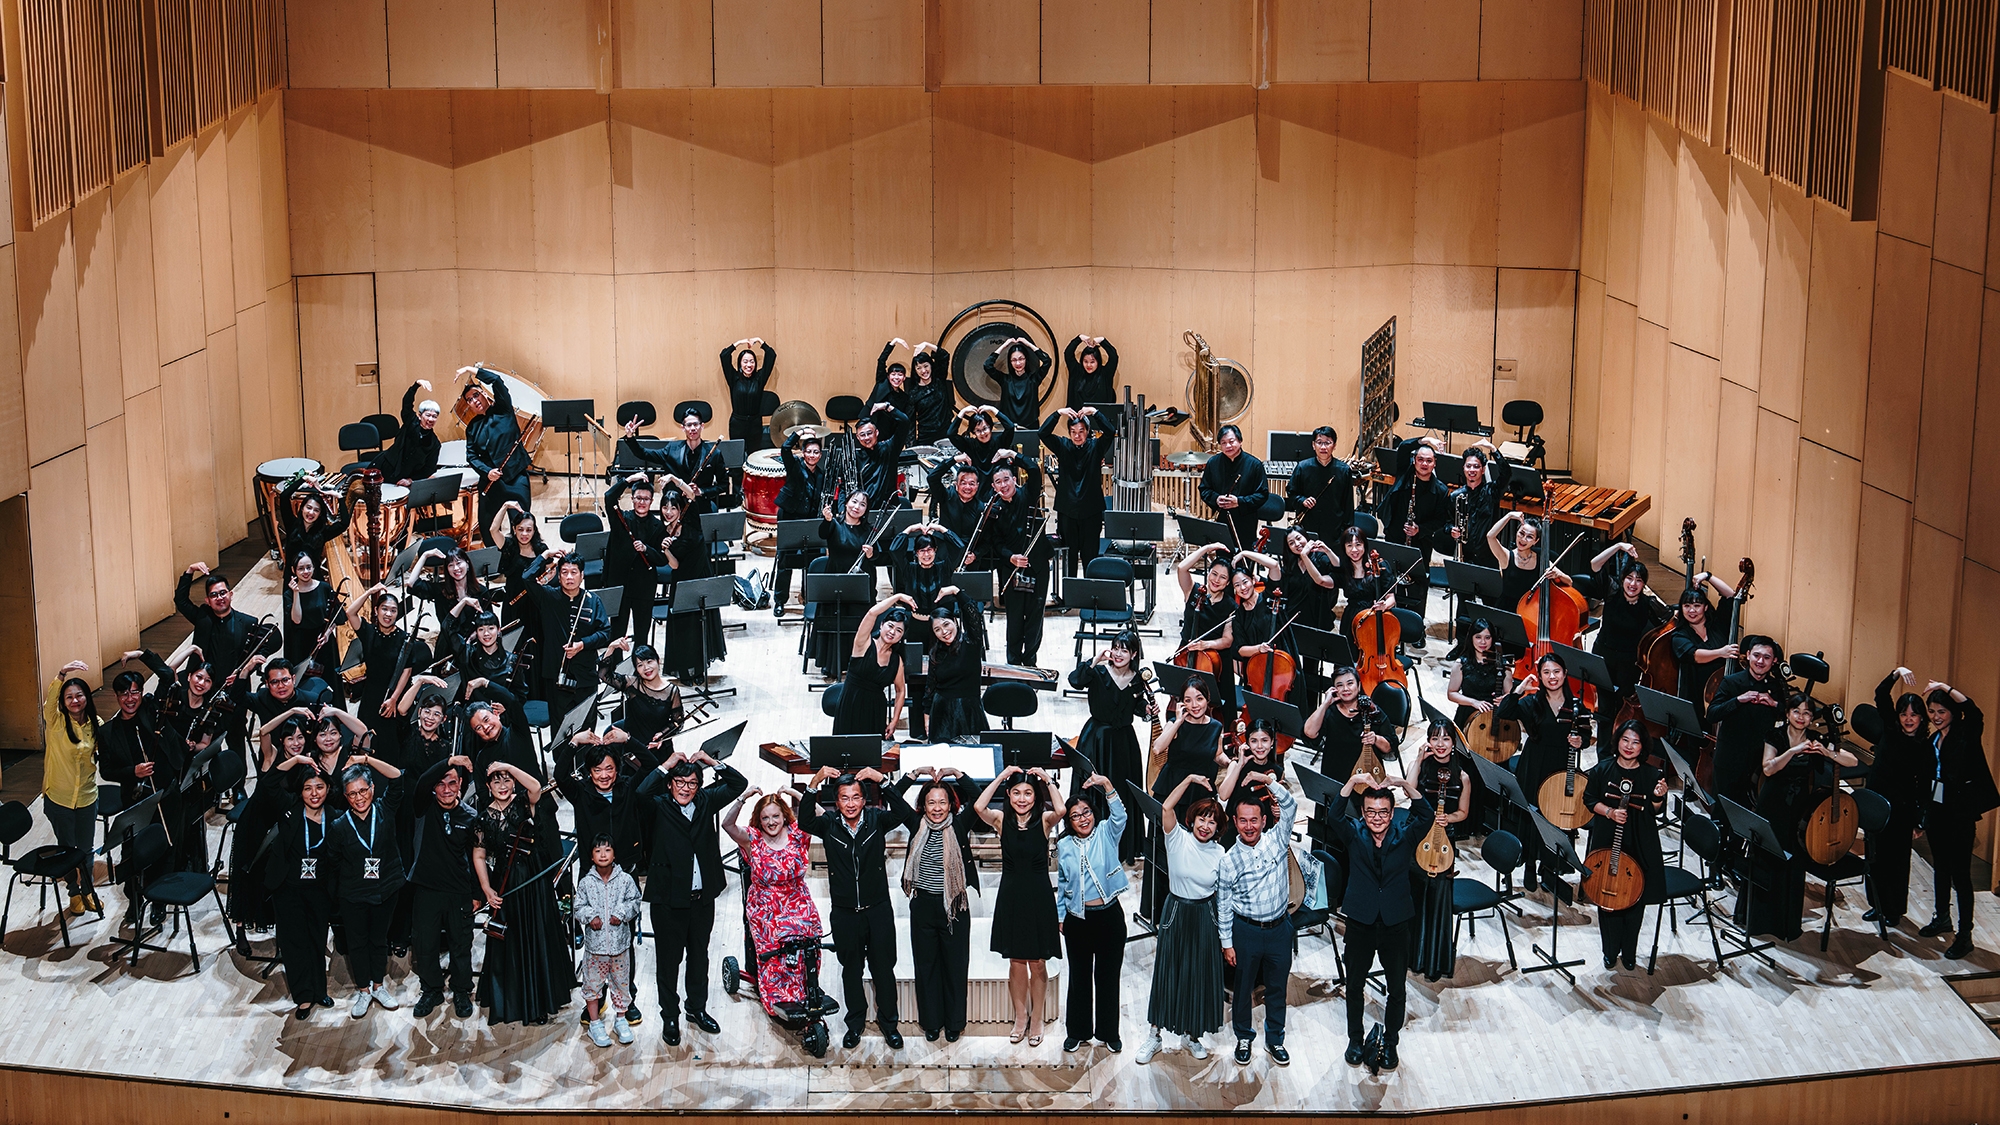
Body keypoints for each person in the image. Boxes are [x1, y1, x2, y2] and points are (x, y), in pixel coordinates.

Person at [797, 765, 913, 1050]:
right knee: (851, 971)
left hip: (878, 910)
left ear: (864, 799)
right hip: (845, 913)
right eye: (844, 798)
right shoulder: (829, 824)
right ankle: (855, 1023)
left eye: (856, 797)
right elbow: (804, 820)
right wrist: (815, 781)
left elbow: (902, 813)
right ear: (836, 802)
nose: (851, 804)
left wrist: (881, 780)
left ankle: (889, 1025)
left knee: (883, 970)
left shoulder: (876, 819)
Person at [636, 748, 747, 1045]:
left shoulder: (706, 801)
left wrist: (712, 762)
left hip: (701, 899)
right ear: (670, 784)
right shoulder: (658, 805)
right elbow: (640, 793)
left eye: (692, 784)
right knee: (668, 962)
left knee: (699, 957)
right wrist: (665, 765)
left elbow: (738, 784)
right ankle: (670, 1016)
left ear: (699, 785)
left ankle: (696, 1009)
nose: (685, 789)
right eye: (680, 783)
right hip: (668, 901)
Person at [1327, 771, 1430, 1071]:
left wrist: (1404, 784)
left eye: (1383, 812)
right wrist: (1350, 782)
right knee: (1354, 985)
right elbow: (1334, 816)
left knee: (1397, 988)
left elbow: (1425, 814)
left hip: (1395, 923)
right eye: (1371, 812)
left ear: (1392, 813)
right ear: (1362, 813)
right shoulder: (1354, 834)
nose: (1377, 818)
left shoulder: (1405, 835)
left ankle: (1392, 1042)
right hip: (1361, 921)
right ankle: (1355, 1040)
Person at [473, 759, 574, 1025]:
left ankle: (540, 1001)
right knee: (510, 940)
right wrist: (486, 888)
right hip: (506, 885)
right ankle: (512, 999)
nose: (503, 785)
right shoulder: (483, 819)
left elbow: (536, 787)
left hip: (533, 880)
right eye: (496, 781)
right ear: (488, 786)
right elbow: (479, 855)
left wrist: (508, 766)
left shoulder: (523, 803)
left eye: (507, 780)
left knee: (537, 936)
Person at [1135, 773, 1227, 1064]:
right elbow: (1166, 807)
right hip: (1176, 911)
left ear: (1218, 828)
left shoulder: (1220, 852)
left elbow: (1222, 893)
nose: (1205, 825)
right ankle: (1154, 1035)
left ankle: (1192, 1034)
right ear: (1193, 819)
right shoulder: (1177, 838)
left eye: (1212, 822)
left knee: (1197, 976)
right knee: (1168, 972)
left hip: (1205, 914)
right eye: (1202, 818)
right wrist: (1188, 780)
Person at [891, 768, 984, 1042]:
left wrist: (959, 774)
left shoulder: (960, 824)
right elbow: (893, 796)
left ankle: (954, 1023)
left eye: (942, 802)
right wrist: (913, 774)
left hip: (954, 906)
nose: (937, 808)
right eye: (931, 802)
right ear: (923, 804)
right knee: (926, 966)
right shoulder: (915, 823)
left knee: (955, 967)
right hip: (923, 905)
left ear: (951, 803)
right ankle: (931, 1022)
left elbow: (979, 799)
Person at [1217, 768, 1302, 1065]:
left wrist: (1268, 781)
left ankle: (1275, 1039)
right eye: (1243, 820)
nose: (1249, 826)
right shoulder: (1228, 861)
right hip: (1246, 932)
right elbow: (1223, 905)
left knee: (1278, 988)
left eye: (1254, 820)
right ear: (1235, 822)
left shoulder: (1277, 839)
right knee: (1243, 989)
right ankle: (1243, 1037)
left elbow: (1290, 805)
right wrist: (1227, 943)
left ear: (1264, 821)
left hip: (1280, 929)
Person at [974, 765, 1064, 1046]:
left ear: (1035, 796)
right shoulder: (1001, 820)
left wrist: (1046, 779)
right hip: (1011, 895)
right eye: (1016, 793)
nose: (1022, 799)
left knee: (1037, 962)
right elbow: (978, 806)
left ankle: (1037, 1018)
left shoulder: (1045, 820)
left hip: (1039, 897)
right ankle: (1021, 1017)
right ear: (1009, 795)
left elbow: (1061, 810)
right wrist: (1001, 777)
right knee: (1015, 961)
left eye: (1027, 793)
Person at [1916, 677, 1997, 959]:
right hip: (1937, 811)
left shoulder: (1966, 733)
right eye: (1932, 711)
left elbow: (1974, 711)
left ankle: (1965, 935)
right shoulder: (1932, 740)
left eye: (1942, 711)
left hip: (1960, 814)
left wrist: (1945, 687)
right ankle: (1942, 917)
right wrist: (1922, 817)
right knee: (1940, 867)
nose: (1936, 717)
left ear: (1953, 712)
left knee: (1960, 875)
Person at [1494, 652, 1587, 894]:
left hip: (1562, 766)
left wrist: (1580, 742)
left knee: (1556, 816)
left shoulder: (1577, 706)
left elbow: (1586, 735)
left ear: (1565, 674)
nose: (1552, 676)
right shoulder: (1531, 702)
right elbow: (1504, 712)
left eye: (1556, 671)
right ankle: (1529, 863)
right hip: (1534, 764)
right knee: (1532, 815)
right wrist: (1519, 689)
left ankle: (1550, 866)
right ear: (1540, 676)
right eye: (1546, 672)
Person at [326, 754, 408, 1019]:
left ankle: (378, 986)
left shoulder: (385, 809)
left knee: (379, 940)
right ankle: (363, 990)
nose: (359, 798)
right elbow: (334, 863)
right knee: (358, 942)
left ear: (372, 788)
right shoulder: (339, 826)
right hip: (354, 894)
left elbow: (397, 777)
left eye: (363, 790)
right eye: (352, 794)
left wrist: (366, 760)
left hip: (386, 888)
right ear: (346, 797)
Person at [1584, 720, 1670, 971]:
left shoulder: (1652, 774)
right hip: (1607, 840)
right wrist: (1610, 812)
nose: (1629, 746)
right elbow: (1589, 800)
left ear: (1643, 746)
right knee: (1606, 893)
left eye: (1635, 742)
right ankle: (1610, 952)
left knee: (1635, 897)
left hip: (1639, 840)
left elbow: (1655, 810)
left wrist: (1658, 797)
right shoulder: (1602, 770)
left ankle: (1629, 952)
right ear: (1617, 741)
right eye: (1625, 740)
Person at [1055, 773, 1129, 1053]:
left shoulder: (1107, 832)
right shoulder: (1064, 845)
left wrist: (1107, 785)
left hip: (1109, 917)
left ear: (1094, 813)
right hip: (1078, 920)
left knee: (1108, 977)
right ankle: (1078, 1032)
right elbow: (1062, 882)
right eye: (1075, 816)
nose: (1083, 818)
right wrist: (1061, 916)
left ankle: (1109, 1033)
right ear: (1069, 822)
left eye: (1086, 812)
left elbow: (1120, 815)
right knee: (1079, 977)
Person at [406, 755, 481, 1020]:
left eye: (452, 783)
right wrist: (449, 761)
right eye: (440, 784)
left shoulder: (471, 817)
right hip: (426, 889)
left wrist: (476, 894)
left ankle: (461, 990)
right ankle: (431, 990)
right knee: (425, 945)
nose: (446, 789)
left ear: (460, 784)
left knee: (461, 945)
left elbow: (477, 859)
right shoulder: (424, 806)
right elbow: (421, 782)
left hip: (459, 891)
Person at [1068, 631, 1152, 860]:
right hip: (1096, 739)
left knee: (1122, 792)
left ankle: (1121, 849)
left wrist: (1146, 710)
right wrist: (1095, 660)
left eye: (1124, 650)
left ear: (1134, 654)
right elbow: (1075, 681)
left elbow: (1136, 705)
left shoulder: (1137, 679)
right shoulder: (1098, 672)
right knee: (1092, 791)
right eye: (1115, 648)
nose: (1118, 654)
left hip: (1124, 744)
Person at [263, 767, 336, 1020]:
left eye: (319, 787)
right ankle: (303, 996)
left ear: (328, 788)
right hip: (288, 889)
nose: (314, 793)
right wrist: (298, 759)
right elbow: (269, 783)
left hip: (320, 891)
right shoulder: (289, 810)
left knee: (317, 940)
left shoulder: (335, 817)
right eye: (307, 788)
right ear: (300, 792)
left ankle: (319, 990)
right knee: (295, 944)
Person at [1866, 668, 1932, 927]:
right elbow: (1881, 694)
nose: (1908, 719)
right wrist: (1896, 673)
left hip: (1902, 810)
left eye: (1914, 715)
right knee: (1874, 857)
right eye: (1904, 714)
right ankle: (1876, 905)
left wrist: (1920, 820)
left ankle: (1894, 910)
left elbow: (1924, 786)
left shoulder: (1924, 747)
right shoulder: (1890, 729)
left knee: (1897, 861)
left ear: (1921, 718)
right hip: (1877, 804)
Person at [1756, 692, 1859, 854]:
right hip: (1773, 799)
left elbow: (1853, 761)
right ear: (1787, 713)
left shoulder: (1815, 739)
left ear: (1811, 719)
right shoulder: (1775, 735)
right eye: (1796, 711)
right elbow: (1768, 769)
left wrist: (1828, 753)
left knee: (1795, 848)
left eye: (1806, 713)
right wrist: (1792, 751)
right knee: (1770, 849)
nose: (1801, 717)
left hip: (1801, 802)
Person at [519, 549, 612, 725]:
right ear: (559, 576)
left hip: (585, 675)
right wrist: (546, 555)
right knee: (559, 727)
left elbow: (605, 633)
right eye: (564, 572)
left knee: (587, 727)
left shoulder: (593, 600)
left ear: (582, 575)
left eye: (574, 572)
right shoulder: (548, 596)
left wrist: (582, 644)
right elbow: (526, 578)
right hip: (556, 676)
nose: (569, 577)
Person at [1409, 724, 1469, 981]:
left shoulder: (1463, 777)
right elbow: (1409, 790)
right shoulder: (1421, 767)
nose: (1440, 744)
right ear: (1428, 741)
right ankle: (1411, 957)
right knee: (1415, 894)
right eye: (1435, 739)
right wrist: (1418, 759)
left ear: (1454, 743)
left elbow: (1463, 813)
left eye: (1446, 739)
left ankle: (1433, 962)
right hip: (1418, 834)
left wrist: (1448, 818)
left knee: (1438, 898)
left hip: (1444, 841)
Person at [41, 662, 101, 916]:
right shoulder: (55, 722)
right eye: (69, 697)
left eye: (79, 695)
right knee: (67, 849)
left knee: (86, 850)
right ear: (63, 702)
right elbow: (49, 702)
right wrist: (62, 674)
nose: (75, 701)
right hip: (59, 798)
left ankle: (88, 890)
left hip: (87, 797)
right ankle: (73, 892)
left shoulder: (96, 724)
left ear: (87, 697)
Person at [576, 836, 643, 1047]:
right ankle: (595, 1024)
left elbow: (635, 901)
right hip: (595, 949)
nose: (603, 855)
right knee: (592, 985)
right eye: (598, 851)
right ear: (591, 856)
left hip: (619, 947)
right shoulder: (586, 883)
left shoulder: (625, 880)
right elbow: (578, 907)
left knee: (621, 985)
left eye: (607, 850)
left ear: (614, 854)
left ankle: (621, 1020)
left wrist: (621, 913)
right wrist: (590, 916)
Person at [1704, 634, 1786, 805]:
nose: (1760, 661)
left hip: (1758, 762)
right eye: (1756, 655)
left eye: (1767, 657)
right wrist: (1738, 700)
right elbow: (1712, 714)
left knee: (1750, 808)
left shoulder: (1777, 687)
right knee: (1722, 808)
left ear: (1774, 661)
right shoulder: (1731, 682)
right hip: (1729, 759)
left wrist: (1774, 703)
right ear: (1748, 655)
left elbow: (1789, 716)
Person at [1585, 544, 1674, 701]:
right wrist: (1618, 546)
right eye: (1629, 578)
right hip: (1603, 654)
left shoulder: (1649, 603)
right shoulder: (1612, 592)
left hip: (1630, 662)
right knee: (1604, 701)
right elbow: (1595, 564)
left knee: (1624, 702)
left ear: (1644, 584)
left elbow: (1671, 621)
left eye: (1638, 580)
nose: (1633, 584)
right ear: (1623, 579)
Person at [175, 562, 278, 692]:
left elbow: (262, 649)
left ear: (231, 594)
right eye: (214, 595)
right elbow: (181, 600)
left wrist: (244, 671)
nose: (219, 598)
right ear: (207, 601)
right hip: (202, 684)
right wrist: (190, 571)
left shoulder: (248, 622)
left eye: (223, 593)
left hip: (232, 685)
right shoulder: (202, 617)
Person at [1040, 406, 1114, 584]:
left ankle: (1090, 593)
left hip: (1091, 511)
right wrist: (1058, 413)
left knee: (1090, 556)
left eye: (1081, 431)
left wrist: (1095, 412)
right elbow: (1043, 433)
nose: (1077, 435)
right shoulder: (1063, 446)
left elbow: (1111, 432)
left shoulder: (1096, 447)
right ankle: (1070, 593)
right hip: (1068, 511)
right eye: (1073, 432)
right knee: (1069, 556)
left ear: (1088, 431)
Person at [1383, 438, 1451, 619]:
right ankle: (1390, 621)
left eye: (1429, 461)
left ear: (1435, 463)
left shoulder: (1441, 490)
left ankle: (1416, 624)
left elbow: (1440, 520)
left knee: (1418, 586)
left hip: (1421, 543)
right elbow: (1404, 447)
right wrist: (1426, 440)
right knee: (1390, 582)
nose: (1424, 464)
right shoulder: (1404, 474)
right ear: (1414, 461)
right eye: (1420, 459)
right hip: (1395, 537)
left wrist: (1420, 529)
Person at [462, 365, 532, 543]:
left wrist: (471, 369)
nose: (474, 401)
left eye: (476, 395)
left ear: (484, 394)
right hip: (490, 482)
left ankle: (522, 556)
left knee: (522, 525)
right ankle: (494, 558)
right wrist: (487, 472)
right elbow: (471, 456)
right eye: (469, 400)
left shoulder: (503, 409)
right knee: (487, 527)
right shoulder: (472, 427)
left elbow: (496, 381)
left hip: (515, 477)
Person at [989, 463, 1050, 667]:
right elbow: (996, 542)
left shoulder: (1028, 495)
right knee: (1014, 618)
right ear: (993, 486)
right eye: (998, 482)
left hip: (1037, 566)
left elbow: (1033, 469)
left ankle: (1030, 662)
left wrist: (1013, 455)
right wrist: (1011, 557)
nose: (1003, 485)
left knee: (1035, 617)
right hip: (1012, 569)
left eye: (1006, 479)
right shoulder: (994, 509)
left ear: (1014, 480)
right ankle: (1013, 664)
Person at [604, 472, 671, 646]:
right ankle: (614, 663)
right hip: (621, 585)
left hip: (644, 587)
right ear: (632, 499)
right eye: (638, 498)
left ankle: (640, 663)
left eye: (646, 499)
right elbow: (609, 497)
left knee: (642, 634)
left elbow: (662, 559)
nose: (642, 502)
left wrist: (647, 549)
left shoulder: (658, 526)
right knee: (617, 633)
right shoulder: (621, 519)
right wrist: (628, 480)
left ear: (652, 501)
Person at [1175, 543, 1237, 725]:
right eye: (1214, 574)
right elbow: (1182, 568)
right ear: (1208, 573)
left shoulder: (1230, 606)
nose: (1216, 580)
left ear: (1228, 583)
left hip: (1215, 661)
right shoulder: (1193, 591)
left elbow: (1227, 640)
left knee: (1219, 709)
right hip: (1186, 654)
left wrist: (1205, 645)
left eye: (1223, 577)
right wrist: (1207, 548)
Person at [1151, 677, 1229, 821]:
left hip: (1200, 789)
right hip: (1173, 788)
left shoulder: (1216, 726)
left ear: (1207, 699)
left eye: (1199, 699)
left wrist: (1231, 763)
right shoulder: (1174, 724)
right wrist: (1178, 721)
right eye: (1188, 700)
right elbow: (1157, 748)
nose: (1194, 705)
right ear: (1182, 703)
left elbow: (1217, 754)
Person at [835, 595, 912, 738]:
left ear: (901, 637)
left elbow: (901, 690)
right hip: (850, 704)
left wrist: (894, 720)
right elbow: (872, 613)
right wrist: (897, 597)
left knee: (872, 750)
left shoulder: (897, 660)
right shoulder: (863, 643)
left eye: (899, 631)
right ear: (881, 625)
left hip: (875, 710)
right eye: (890, 626)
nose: (892, 632)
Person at [1667, 571, 1738, 717]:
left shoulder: (1717, 625)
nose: (1692, 610)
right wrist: (1721, 652)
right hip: (1696, 698)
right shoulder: (1679, 635)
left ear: (1705, 607)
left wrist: (1708, 576)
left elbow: (1731, 595)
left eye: (1697, 605)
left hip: (1723, 693)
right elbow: (1694, 655)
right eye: (1687, 606)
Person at [772, 427, 826, 616]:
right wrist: (801, 432)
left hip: (810, 521)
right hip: (790, 517)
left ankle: (809, 597)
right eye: (809, 451)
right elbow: (785, 448)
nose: (812, 455)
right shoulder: (794, 465)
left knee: (813, 559)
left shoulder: (821, 475)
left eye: (816, 452)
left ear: (820, 455)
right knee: (785, 560)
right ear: (803, 453)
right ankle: (780, 601)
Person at [922, 599, 987, 741]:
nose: (944, 632)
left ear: (955, 621)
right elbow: (930, 685)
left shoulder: (971, 642)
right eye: (937, 629)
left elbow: (973, 615)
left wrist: (956, 592)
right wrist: (927, 715)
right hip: (941, 712)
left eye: (946, 624)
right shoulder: (936, 652)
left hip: (969, 710)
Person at [1198, 424, 1270, 553]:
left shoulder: (1255, 465)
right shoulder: (1213, 463)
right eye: (1223, 443)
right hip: (1221, 520)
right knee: (1222, 556)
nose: (1228, 446)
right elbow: (1204, 489)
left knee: (1244, 558)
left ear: (1240, 441)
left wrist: (1239, 502)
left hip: (1245, 521)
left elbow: (1262, 494)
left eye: (1231, 441)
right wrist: (1216, 499)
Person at [1283, 426, 1355, 543]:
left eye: (1328, 443)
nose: (1323, 447)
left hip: (1334, 528)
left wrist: (1347, 532)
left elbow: (1348, 504)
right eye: (1319, 442)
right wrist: (1302, 500)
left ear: (1334, 445)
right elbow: (1291, 492)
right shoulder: (1303, 467)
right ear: (1313, 445)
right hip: (1308, 525)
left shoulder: (1343, 470)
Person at [275, 475, 351, 577]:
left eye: (316, 510)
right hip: (292, 578)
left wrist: (339, 497)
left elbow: (344, 523)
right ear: (302, 508)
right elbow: (284, 496)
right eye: (309, 507)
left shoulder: (323, 531)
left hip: (314, 579)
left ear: (320, 514)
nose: (311, 513)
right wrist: (304, 479)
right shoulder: (291, 524)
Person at [1332, 526, 1396, 637]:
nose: (1354, 550)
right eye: (1349, 546)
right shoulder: (1344, 570)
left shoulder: (1381, 566)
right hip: (1351, 619)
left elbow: (1391, 598)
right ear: (1344, 548)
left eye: (1358, 545)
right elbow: (1322, 581)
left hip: (1375, 617)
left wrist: (1384, 606)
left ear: (1364, 545)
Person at [1446, 619, 1508, 729]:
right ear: (1471, 638)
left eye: (1487, 638)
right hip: (1467, 715)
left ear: (1492, 639)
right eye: (1478, 637)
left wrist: (1504, 699)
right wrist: (1474, 702)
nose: (1483, 642)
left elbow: (1509, 694)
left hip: (1494, 718)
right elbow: (1452, 693)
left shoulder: (1503, 665)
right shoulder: (1461, 664)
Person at [379, 379, 442, 485]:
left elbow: (429, 468)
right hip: (386, 466)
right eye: (428, 415)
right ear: (419, 415)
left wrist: (411, 480)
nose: (431, 419)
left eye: (434, 416)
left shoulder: (435, 444)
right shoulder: (410, 422)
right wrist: (416, 385)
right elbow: (407, 403)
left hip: (404, 477)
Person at [851, 402, 910, 511]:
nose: (866, 438)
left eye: (869, 433)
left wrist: (887, 407)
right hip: (865, 510)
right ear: (858, 437)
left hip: (888, 509)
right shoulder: (855, 457)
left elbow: (904, 422)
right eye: (862, 435)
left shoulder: (889, 448)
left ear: (876, 432)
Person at [983, 337, 1052, 429]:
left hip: (1030, 427)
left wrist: (1028, 344)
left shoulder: (1034, 379)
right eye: (1014, 360)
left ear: (1026, 359)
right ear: (1010, 362)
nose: (1018, 363)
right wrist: (1004, 346)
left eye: (1021, 359)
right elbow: (987, 365)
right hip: (1009, 428)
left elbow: (1047, 361)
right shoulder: (1005, 380)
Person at [721, 338, 776, 451]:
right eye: (745, 361)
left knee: (753, 455)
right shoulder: (733, 378)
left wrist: (759, 340)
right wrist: (739, 343)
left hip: (755, 424)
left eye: (752, 361)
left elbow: (771, 355)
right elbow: (724, 355)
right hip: (737, 424)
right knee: (737, 455)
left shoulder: (759, 378)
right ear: (740, 363)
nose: (749, 365)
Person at [907, 342, 954, 444]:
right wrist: (911, 446)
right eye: (919, 368)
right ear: (915, 370)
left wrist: (926, 344)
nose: (923, 370)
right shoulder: (913, 393)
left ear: (931, 366)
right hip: (925, 437)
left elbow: (944, 355)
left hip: (946, 433)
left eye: (926, 366)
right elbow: (910, 422)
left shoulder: (939, 380)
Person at [947, 405, 1015, 475]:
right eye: (978, 430)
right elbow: (950, 434)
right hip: (975, 481)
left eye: (985, 428)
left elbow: (1010, 427)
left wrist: (993, 409)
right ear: (973, 432)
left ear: (990, 427)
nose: (982, 433)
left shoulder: (1000, 441)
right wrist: (962, 412)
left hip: (998, 481)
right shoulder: (968, 445)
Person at [1062, 333, 1118, 411]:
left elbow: (1114, 357)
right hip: (1077, 417)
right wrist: (1079, 338)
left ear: (1098, 361)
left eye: (1092, 362)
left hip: (1100, 417)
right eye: (1085, 361)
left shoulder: (1105, 373)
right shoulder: (1076, 371)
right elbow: (1068, 353)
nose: (1088, 365)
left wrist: (1103, 341)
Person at [865, 338, 916, 420]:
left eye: (900, 375)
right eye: (893, 374)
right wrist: (894, 342)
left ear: (904, 378)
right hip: (871, 422)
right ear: (888, 376)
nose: (896, 377)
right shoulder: (882, 383)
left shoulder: (904, 397)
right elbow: (881, 361)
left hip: (890, 425)